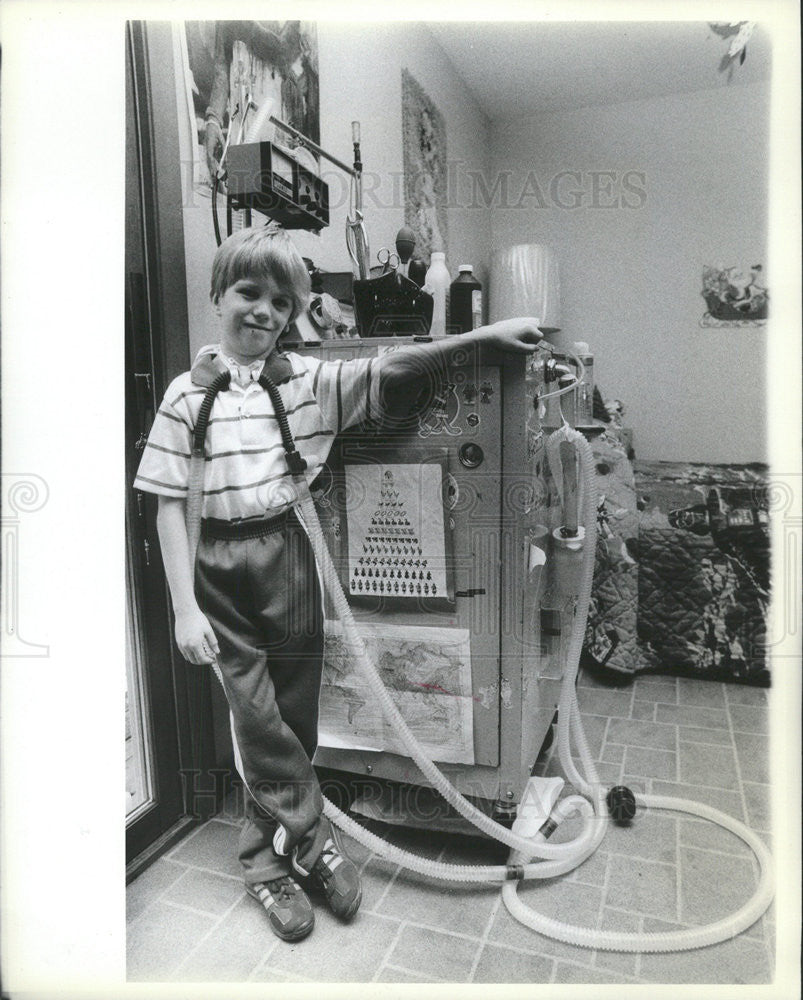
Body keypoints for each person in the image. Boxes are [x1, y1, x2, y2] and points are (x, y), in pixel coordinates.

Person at [133, 223, 543, 943]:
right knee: (257, 721)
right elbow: (168, 506)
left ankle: (265, 854)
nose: (261, 311)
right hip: (217, 564)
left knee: (293, 717)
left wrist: (483, 339)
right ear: (217, 295)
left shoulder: (308, 385)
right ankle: (311, 844)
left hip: (288, 555)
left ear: (293, 316)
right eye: (247, 293)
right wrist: (183, 607)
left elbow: (392, 369)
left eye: (279, 303)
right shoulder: (181, 398)